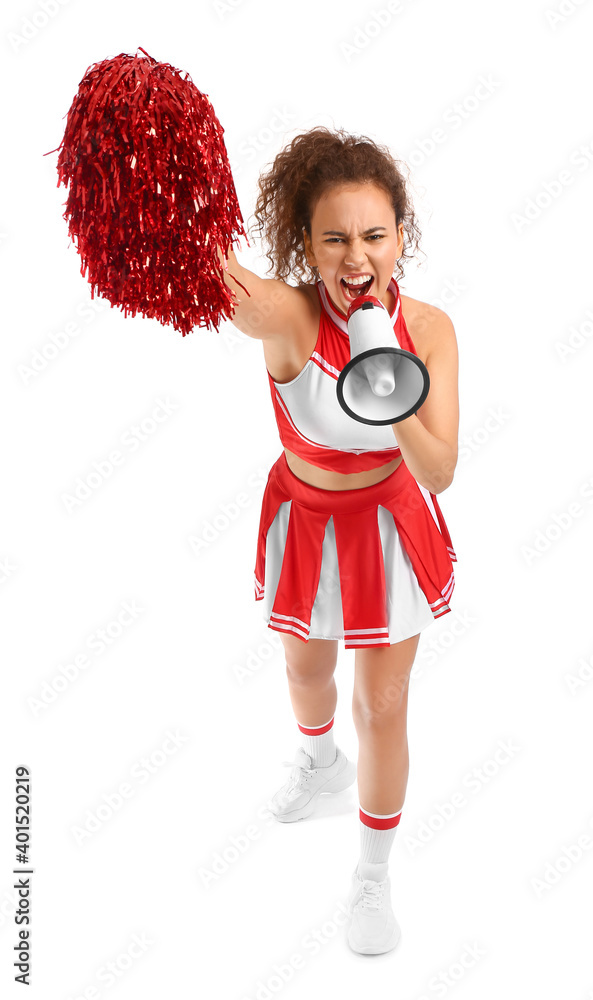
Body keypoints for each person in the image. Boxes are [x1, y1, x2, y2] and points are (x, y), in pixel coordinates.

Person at [217, 126, 459, 956]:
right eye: (333, 237)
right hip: (305, 519)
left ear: (400, 236)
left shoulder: (428, 329)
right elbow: (202, 273)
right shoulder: (285, 314)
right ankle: (320, 767)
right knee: (304, 670)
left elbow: (439, 473)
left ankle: (371, 877)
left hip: (388, 525)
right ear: (304, 243)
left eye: (373, 234)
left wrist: (389, 391)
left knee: (380, 709)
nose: (356, 257)